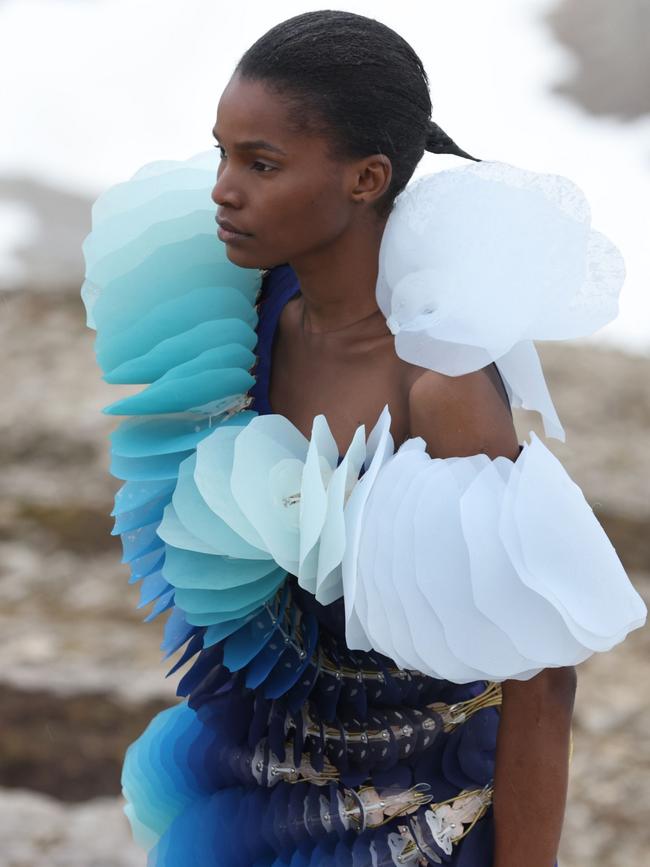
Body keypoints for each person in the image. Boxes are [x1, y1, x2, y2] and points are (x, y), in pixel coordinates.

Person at [81, 10, 646, 867]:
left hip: (412, 826)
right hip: (252, 789)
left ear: (366, 178)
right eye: (224, 152)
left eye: (261, 163)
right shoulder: (247, 316)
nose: (223, 189)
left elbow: (542, 681)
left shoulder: (442, 389)